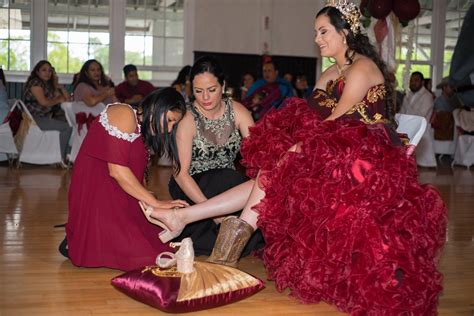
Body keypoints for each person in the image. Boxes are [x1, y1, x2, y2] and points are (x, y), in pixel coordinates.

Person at [144, 3, 447, 314]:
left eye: (323, 31)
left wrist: (297, 148)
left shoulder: (363, 68)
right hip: (333, 148)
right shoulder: (331, 71)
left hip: (364, 156)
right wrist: (291, 143)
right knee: (272, 168)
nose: (317, 38)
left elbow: (337, 121)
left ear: (345, 32)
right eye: (316, 32)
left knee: (278, 168)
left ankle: (202, 233)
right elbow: (311, 117)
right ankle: (204, 236)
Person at [66, 87, 188, 271]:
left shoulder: (144, 131)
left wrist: (153, 202)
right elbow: (117, 171)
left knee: (159, 247)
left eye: (173, 125)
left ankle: (83, 237)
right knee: (146, 257)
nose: (169, 129)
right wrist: (155, 203)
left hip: (118, 193)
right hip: (97, 195)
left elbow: (135, 175)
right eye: (170, 120)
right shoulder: (123, 113)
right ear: (156, 107)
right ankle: (83, 235)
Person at [168, 56, 264, 256]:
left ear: (223, 85)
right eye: (198, 91)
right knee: (227, 179)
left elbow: (259, 153)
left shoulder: (238, 111)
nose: (205, 98)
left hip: (226, 185)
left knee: (250, 185)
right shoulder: (187, 118)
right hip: (191, 186)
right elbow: (180, 174)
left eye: (211, 90)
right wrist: (212, 212)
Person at [23, 60, 72, 161]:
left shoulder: (48, 85)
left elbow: (67, 100)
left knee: (70, 122)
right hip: (34, 118)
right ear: (37, 72)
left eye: (50, 71)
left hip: (45, 116)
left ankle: (64, 156)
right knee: (67, 128)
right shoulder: (35, 83)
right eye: (44, 70)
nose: (47, 73)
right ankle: (60, 158)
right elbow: (43, 102)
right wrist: (58, 99)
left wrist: (59, 86)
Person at [400, 71, 437, 167]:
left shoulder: (427, 96)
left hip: (421, 127)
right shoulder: (408, 95)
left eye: (416, 80)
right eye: (411, 80)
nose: (412, 83)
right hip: (407, 125)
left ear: (422, 82)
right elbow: (402, 112)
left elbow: (421, 115)